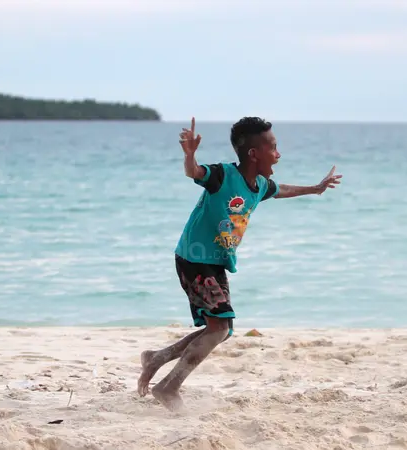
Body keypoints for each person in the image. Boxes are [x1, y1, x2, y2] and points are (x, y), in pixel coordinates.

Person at [137, 116, 341, 411]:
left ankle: (156, 358)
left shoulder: (259, 185)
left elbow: (281, 189)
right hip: (194, 259)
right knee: (219, 328)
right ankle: (168, 388)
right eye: (273, 147)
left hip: (215, 262)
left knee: (221, 328)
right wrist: (190, 154)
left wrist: (315, 188)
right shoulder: (222, 175)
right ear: (254, 154)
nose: (278, 153)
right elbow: (194, 172)